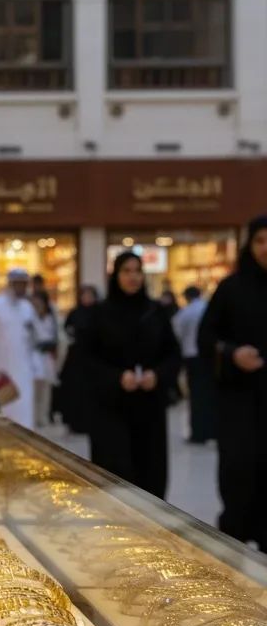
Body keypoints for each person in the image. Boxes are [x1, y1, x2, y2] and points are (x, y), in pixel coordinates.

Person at [76, 251, 181, 499]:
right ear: (115, 275)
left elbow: (173, 355)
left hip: (149, 410)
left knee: (150, 478)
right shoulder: (100, 314)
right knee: (115, 481)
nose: (133, 277)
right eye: (126, 271)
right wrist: (116, 378)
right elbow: (86, 359)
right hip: (111, 412)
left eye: (137, 271)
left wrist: (157, 375)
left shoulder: (155, 312)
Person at [198, 216, 267, 550]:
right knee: (239, 471)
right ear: (249, 245)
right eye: (260, 241)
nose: (266, 248)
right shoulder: (231, 288)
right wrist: (231, 352)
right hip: (239, 402)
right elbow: (206, 336)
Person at [0, 267, 38, 429]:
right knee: (2, 414)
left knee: (24, 414)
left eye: (24, 284)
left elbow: (33, 339)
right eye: (18, 283)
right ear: (10, 284)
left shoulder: (28, 308)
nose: (21, 287)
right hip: (0, 370)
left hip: (24, 372)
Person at [173, 285, 215, 444]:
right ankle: (211, 430)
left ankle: (198, 433)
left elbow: (176, 332)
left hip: (192, 357)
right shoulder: (207, 308)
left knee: (196, 396)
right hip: (208, 357)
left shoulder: (186, 312)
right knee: (209, 394)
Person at [56, 284, 99, 433]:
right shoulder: (75, 313)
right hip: (76, 359)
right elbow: (68, 329)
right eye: (84, 295)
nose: (87, 298)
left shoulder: (99, 313)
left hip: (94, 359)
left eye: (90, 295)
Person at [31, 289, 59, 428]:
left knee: (46, 390)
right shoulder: (29, 316)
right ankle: (34, 416)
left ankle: (43, 416)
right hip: (34, 355)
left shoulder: (50, 316)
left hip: (47, 356)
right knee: (34, 389)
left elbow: (56, 336)